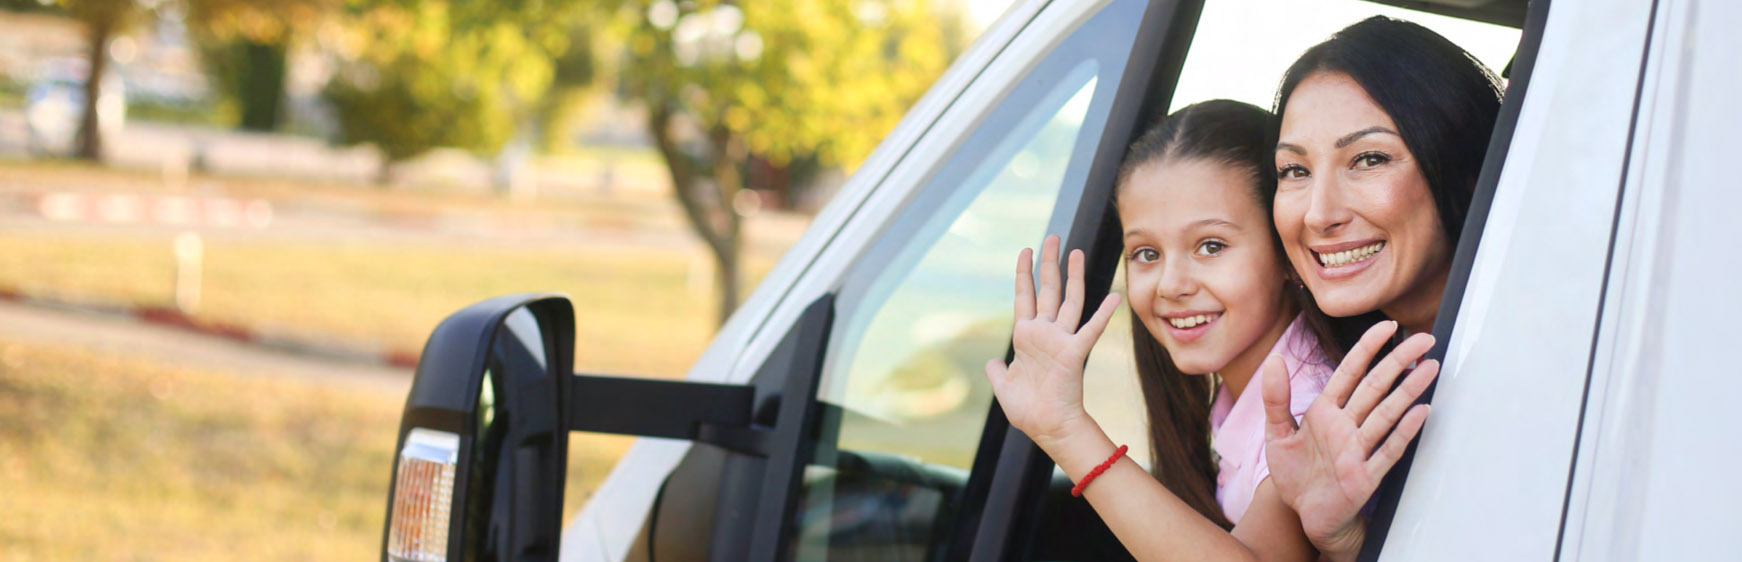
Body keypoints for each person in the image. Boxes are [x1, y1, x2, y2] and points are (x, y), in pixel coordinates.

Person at [985, 99, 1343, 560]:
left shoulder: (1312, 401)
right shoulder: (1250, 391)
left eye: (1210, 246)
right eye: (1147, 254)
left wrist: (1065, 431)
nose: (1171, 286)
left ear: (1284, 251)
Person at [1259, 15, 1505, 562]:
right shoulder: (1355, 375)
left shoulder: (1529, 372)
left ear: (1462, 169)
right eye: (1294, 170)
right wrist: (1344, 541)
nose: (1318, 215)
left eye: (1368, 159)